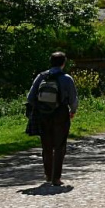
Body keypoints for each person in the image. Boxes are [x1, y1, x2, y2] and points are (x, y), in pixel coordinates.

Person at [27, 51, 78, 186]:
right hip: (61, 113)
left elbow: (30, 98)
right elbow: (73, 99)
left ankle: (48, 175)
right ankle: (56, 178)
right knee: (60, 146)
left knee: (46, 146)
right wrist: (72, 111)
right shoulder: (67, 78)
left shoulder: (41, 76)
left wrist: (41, 107)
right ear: (63, 63)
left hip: (43, 115)